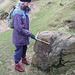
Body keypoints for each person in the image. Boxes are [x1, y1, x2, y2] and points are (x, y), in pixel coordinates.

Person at [12, 0, 36, 72]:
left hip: (24, 35)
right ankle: (16, 64)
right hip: (19, 36)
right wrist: (30, 34)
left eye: (29, 3)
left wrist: (27, 34)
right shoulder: (17, 12)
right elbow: (19, 28)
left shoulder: (24, 10)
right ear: (22, 2)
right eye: (27, 3)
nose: (29, 5)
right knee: (18, 50)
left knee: (24, 48)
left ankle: (24, 59)